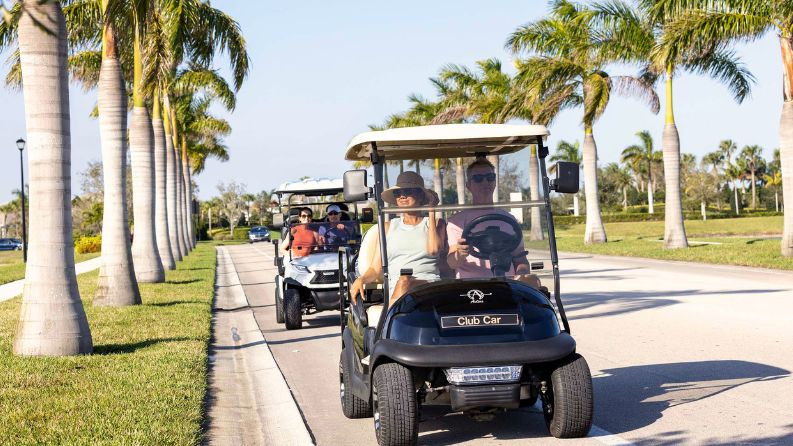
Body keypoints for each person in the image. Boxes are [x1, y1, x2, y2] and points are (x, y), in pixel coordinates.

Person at [351, 171, 445, 304]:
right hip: (398, 287)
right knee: (404, 280)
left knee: (404, 280)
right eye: (397, 193)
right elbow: (375, 269)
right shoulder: (387, 227)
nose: (402, 196)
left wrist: (431, 211)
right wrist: (361, 279)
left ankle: (390, 315)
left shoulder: (436, 223)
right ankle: (393, 313)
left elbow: (434, 250)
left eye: (408, 191)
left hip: (429, 286)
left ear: (420, 195)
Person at [446, 158, 540, 286]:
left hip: (506, 285)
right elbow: (452, 262)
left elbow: (520, 258)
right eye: (478, 178)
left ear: (495, 182)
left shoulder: (509, 220)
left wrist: (522, 275)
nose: (485, 182)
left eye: (490, 177)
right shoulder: (456, 222)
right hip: (471, 287)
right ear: (468, 185)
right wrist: (460, 253)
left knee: (534, 283)